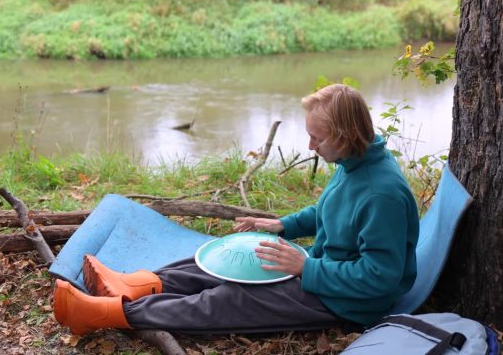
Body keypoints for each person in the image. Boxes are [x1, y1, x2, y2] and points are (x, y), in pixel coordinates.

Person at [53, 83, 420, 335]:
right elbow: (328, 211)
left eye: (317, 138)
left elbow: (380, 277)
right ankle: (134, 285)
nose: (310, 146)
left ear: (343, 135)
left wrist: (307, 267)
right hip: (323, 271)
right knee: (227, 258)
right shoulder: (352, 165)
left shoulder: (381, 193)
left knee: (230, 299)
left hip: (346, 303)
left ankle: (105, 314)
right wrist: (281, 226)